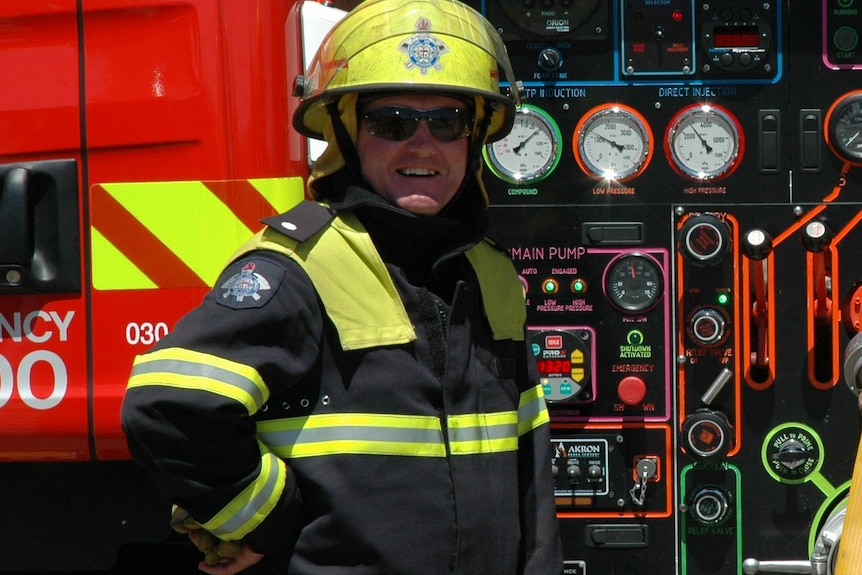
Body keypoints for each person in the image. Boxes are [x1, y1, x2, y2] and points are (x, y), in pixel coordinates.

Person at [120, 0, 564, 573]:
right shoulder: (298, 266)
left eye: (448, 121)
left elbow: (528, 464)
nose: (423, 144)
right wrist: (264, 520)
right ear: (346, 134)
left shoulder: (491, 274)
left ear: (475, 137)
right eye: (391, 122)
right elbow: (167, 405)